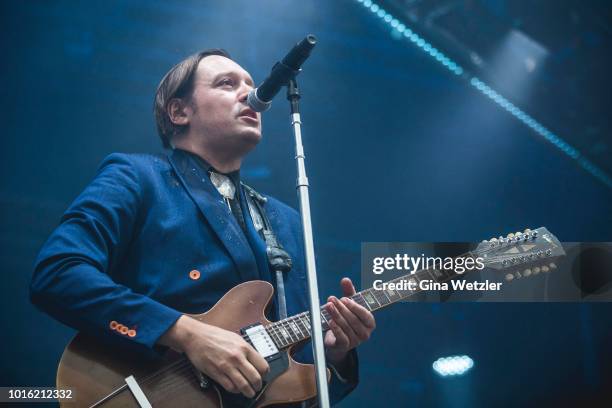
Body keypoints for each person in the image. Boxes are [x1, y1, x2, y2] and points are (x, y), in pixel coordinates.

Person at [30, 49, 375, 405]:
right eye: (227, 84)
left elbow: (297, 386)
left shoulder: (285, 221)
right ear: (179, 111)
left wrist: (335, 354)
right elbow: (58, 274)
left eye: (251, 85)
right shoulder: (138, 177)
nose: (250, 94)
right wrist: (185, 333)